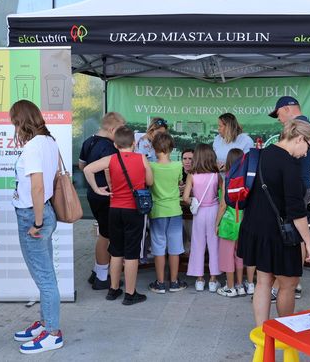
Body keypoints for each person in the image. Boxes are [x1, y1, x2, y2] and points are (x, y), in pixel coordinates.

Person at [237, 119, 310, 326]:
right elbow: (296, 210)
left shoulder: (261, 154)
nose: (307, 153)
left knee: (263, 282)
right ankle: (285, 330)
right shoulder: (289, 163)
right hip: (281, 235)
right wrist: (308, 242)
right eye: (308, 146)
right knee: (288, 284)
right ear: (299, 138)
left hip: (256, 228)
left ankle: (261, 332)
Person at [9, 100, 64, 354]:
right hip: (41, 213)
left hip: (34, 216)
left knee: (44, 278)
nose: (14, 129)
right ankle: (45, 323)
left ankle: (52, 332)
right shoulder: (49, 142)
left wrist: (37, 223)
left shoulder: (33, 147)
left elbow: (38, 187)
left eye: (14, 123)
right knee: (46, 274)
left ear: (21, 122)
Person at [84, 126, 154, 305]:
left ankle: (113, 290)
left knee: (116, 251)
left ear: (115, 144)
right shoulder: (141, 159)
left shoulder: (111, 158)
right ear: (133, 143)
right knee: (131, 254)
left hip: (114, 209)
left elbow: (87, 169)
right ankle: (130, 294)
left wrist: (96, 188)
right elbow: (150, 182)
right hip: (133, 211)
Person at [268, 96, 310, 299]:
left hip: (297, 184)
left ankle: (289, 281)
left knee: (296, 230)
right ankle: (292, 281)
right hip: (300, 184)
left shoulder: (301, 127)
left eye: (278, 114)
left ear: (286, 109)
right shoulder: (305, 125)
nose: (278, 119)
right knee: (296, 230)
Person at [78, 112, 126, 290]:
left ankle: (98, 270)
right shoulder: (110, 147)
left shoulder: (88, 141)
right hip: (106, 194)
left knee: (103, 233)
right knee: (106, 236)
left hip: (93, 193)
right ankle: (102, 277)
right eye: (120, 130)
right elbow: (110, 171)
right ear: (112, 129)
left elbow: (82, 166)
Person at [147, 132, 188, 294]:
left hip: (157, 210)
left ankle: (160, 282)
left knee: (158, 246)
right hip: (175, 210)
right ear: (172, 148)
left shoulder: (151, 166)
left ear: (154, 148)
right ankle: (174, 281)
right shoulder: (178, 165)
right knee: (175, 247)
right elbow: (180, 183)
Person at [183, 143, 222, 292]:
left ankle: (199, 279)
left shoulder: (192, 175)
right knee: (214, 245)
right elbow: (222, 194)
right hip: (213, 211)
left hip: (198, 212)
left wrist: (195, 201)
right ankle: (213, 279)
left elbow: (186, 198)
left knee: (197, 244)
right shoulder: (216, 175)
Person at [215, 148, 247, 297]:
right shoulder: (247, 180)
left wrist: (216, 224)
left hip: (228, 222)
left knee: (227, 256)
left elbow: (222, 205)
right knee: (239, 256)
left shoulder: (227, 180)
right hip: (242, 221)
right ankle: (240, 285)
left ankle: (230, 286)